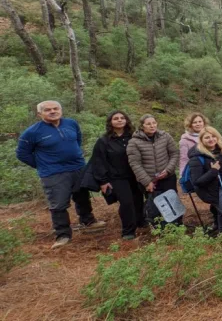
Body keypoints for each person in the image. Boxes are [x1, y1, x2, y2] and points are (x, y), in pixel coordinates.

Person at [16, 101, 106, 249]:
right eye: (47, 110)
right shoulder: (32, 132)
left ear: (61, 110)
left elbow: (77, 140)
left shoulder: (71, 124)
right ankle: (63, 234)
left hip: (77, 167)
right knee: (58, 203)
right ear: (40, 114)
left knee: (82, 195)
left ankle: (88, 221)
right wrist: (42, 164)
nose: (52, 111)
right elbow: (22, 154)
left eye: (55, 108)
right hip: (53, 173)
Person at [88, 111, 145, 240]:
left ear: (126, 120)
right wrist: (103, 181)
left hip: (135, 175)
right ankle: (128, 232)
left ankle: (140, 222)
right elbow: (98, 161)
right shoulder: (104, 141)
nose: (119, 120)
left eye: (122, 118)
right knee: (126, 202)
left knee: (138, 200)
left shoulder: (134, 137)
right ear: (110, 122)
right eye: (116, 118)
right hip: (117, 177)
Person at [187, 126, 222, 251]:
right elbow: (197, 181)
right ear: (201, 140)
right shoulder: (197, 157)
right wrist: (213, 171)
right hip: (212, 190)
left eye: (213, 136)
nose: (211, 139)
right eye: (207, 137)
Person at [127, 114, 180, 226]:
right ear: (142, 126)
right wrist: (147, 182)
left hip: (167, 177)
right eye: (148, 124)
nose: (152, 126)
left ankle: (177, 226)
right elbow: (135, 163)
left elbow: (174, 153)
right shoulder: (134, 142)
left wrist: (168, 170)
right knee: (156, 205)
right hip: (150, 180)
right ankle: (159, 228)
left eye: (154, 123)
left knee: (172, 201)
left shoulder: (165, 136)